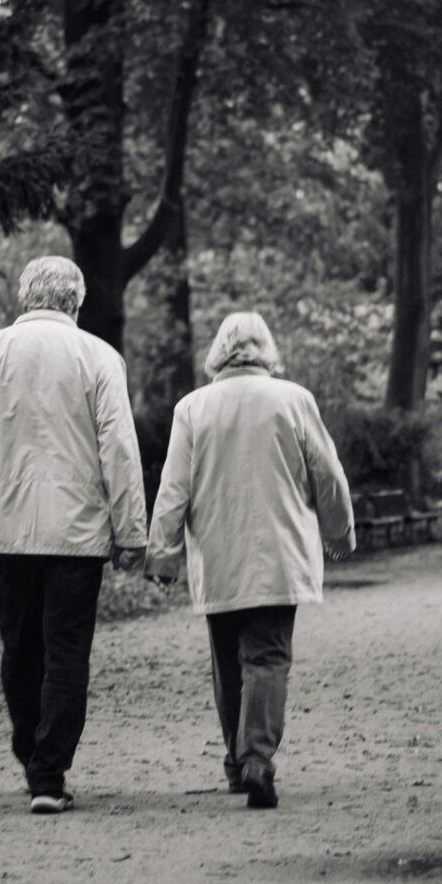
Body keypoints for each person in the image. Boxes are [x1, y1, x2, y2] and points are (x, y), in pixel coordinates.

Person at [0, 254, 148, 815]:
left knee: (19, 650)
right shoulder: (99, 357)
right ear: (75, 300)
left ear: (26, 298)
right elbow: (119, 451)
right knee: (68, 652)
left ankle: (31, 750)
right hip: (76, 534)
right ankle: (48, 773)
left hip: (4, 532)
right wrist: (130, 532)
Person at [146, 310, 354, 809]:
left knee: (227, 663)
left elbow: (173, 488)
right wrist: (339, 531)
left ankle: (239, 764)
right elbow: (327, 475)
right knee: (267, 658)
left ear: (218, 352)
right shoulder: (293, 400)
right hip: (280, 554)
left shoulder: (193, 408)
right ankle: (256, 758)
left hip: (218, 555)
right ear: (267, 350)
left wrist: (163, 554)